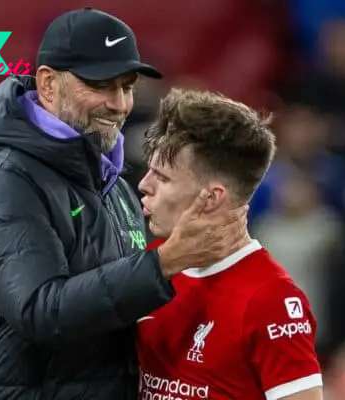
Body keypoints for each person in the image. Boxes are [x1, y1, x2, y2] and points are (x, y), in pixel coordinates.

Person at [0, 7, 247, 400]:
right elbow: (40, 310)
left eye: (127, 86)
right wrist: (167, 262)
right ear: (49, 84)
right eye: (102, 85)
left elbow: (123, 310)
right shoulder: (5, 179)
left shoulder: (115, 186)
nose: (121, 104)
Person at [136, 88, 323, 400]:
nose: (144, 184)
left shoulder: (270, 299)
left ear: (212, 198)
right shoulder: (150, 266)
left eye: (163, 178)